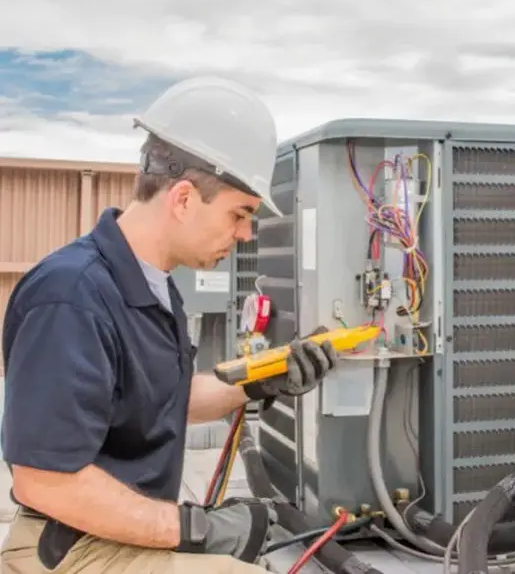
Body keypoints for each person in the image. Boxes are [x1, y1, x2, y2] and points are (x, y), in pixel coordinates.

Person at [0, 77, 338, 573]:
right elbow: (45, 479)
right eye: (240, 213)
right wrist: (193, 529)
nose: (245, 234)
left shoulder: (152, 287)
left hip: (111, 533)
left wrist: (263, 377)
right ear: (182, 199)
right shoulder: (71, 297)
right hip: (69, 547)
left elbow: (166, 403)